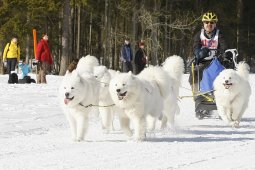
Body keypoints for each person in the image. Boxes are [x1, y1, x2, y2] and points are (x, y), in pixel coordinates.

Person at [189, 11, 231, 119]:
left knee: (224, 75)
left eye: (211, 22)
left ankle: (225, 101)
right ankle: (199, 97)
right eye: (207, 22)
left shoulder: (219, 34)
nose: (209, 24)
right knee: (194, 74)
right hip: (203, 61)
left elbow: (224, 45)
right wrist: (199, 52)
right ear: (203, 24)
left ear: (215, 24)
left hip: (217, 61)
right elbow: (195, 47)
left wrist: (222, 53)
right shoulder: (199, 34)